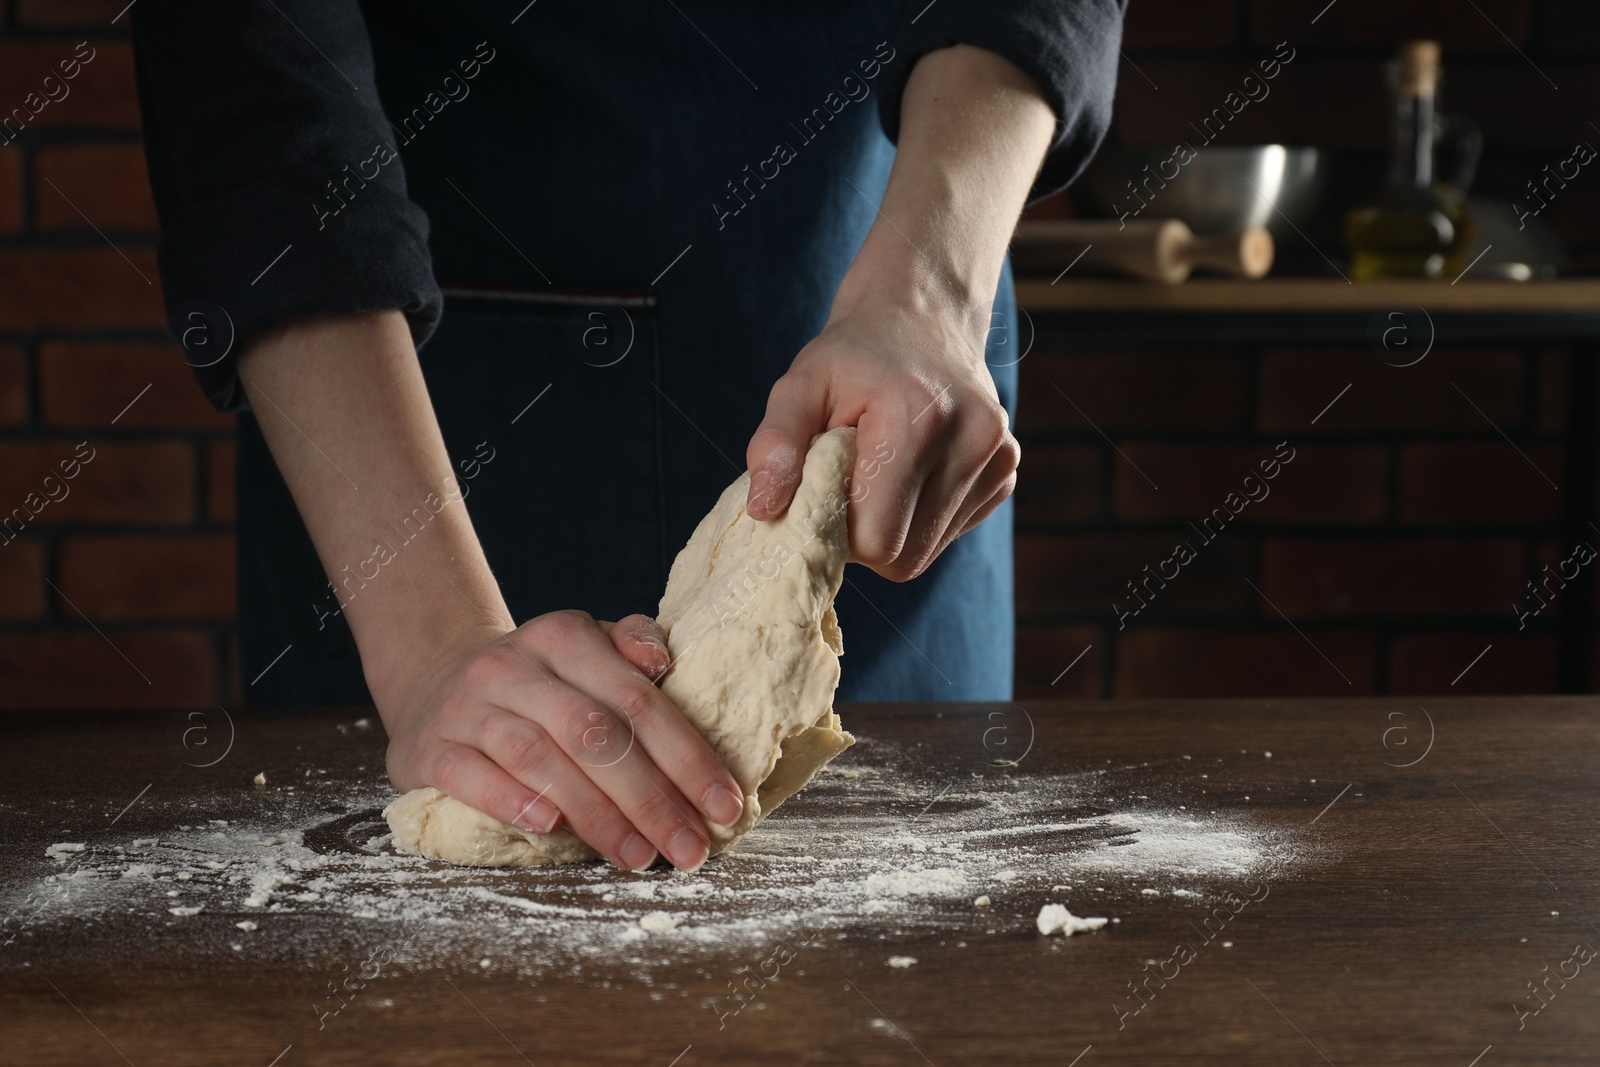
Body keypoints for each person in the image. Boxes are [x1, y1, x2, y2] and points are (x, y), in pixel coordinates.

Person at [131, 2, 1124, 874]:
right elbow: (248, 61)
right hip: (402, 422)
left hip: (895, 328)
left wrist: (932, 287)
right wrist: (432, 643)